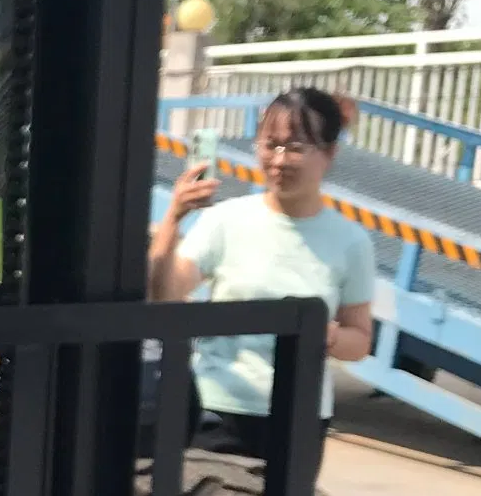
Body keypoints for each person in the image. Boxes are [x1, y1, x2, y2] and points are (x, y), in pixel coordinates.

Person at [149, 86, 375, 455]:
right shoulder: (225, 221)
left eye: (298, 147)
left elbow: (360, 341)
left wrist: (323, 333)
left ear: (329, 153)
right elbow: (164, 297)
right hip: (215, 408)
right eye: (271, 144)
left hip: (299, 418)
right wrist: (174, 217)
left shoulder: (351, 241)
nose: (280, 160)